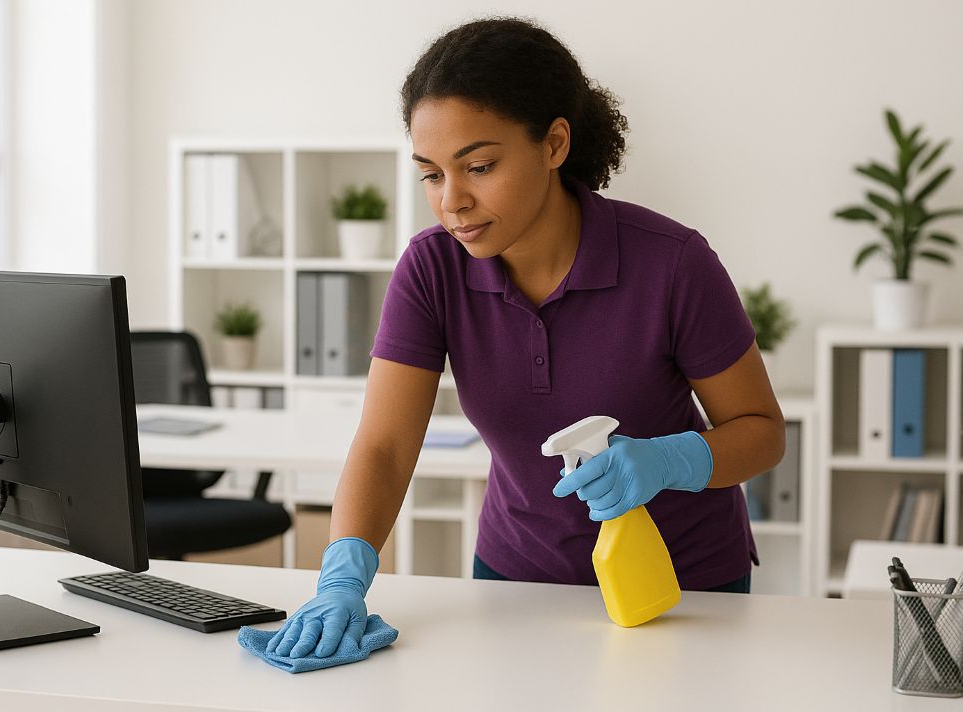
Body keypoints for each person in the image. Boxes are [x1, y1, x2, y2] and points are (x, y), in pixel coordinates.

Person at [267, 16, 785, 660]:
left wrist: (667, 461)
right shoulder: (432, 270)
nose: (451, 201)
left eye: (479, 166)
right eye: (431, 174)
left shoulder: (673, 263)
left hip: (684, 588)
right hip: (515, 582)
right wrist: (342, 577)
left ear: (554, 144)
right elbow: (384, 445)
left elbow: (762, 431)